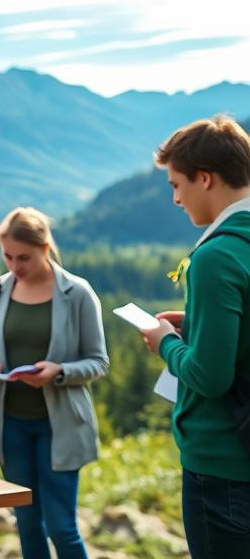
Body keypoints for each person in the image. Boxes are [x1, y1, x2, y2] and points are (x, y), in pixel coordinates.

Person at [142, 115, 250, 559]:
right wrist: (201, 323)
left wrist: (165, 341)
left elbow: (209, 376)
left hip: (223, 461)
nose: (175, 198)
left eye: (176, 184)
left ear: (204, 178)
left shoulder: (215, 256)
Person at [0, 207, 108, 559]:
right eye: (8, 256)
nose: (14, 266)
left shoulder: (77, 293)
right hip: (10, 425)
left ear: (45, 248)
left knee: (61, 527)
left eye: (24, 257)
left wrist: (59, 371)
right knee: (26, 522)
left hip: (59, 425)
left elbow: (99, 362)